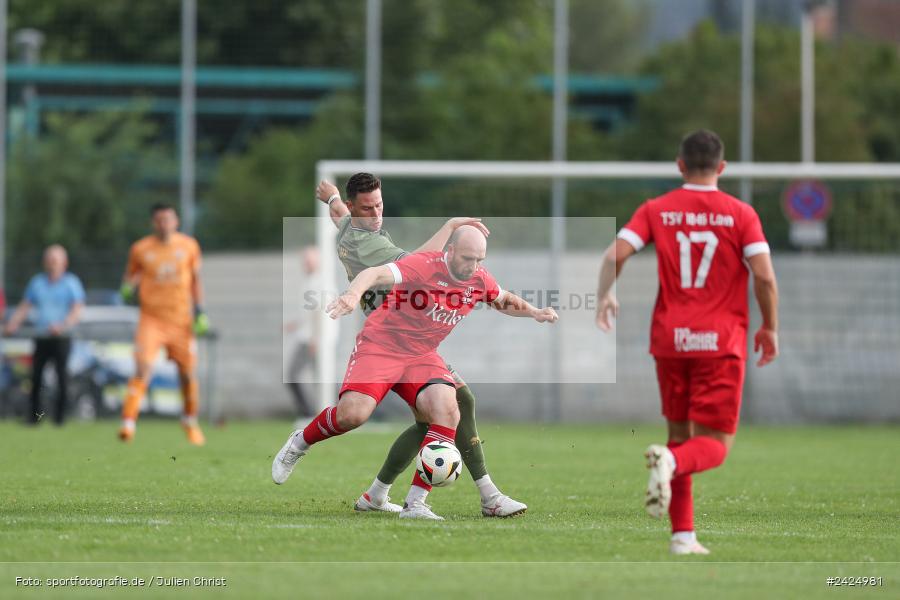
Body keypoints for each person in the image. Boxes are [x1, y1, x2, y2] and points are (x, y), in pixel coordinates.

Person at [272, 226, 558, 520]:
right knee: (352, 415)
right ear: (450, 251)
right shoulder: (424, 265)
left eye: (479, 260)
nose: (473, 266)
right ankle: (299, 442)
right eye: (468, 258)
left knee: (448, 409)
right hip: (381, 345)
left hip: (421, 355)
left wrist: (534, 311)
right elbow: (373, 274)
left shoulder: (477, 278)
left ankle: (415, 503)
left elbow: (501, 297)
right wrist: (352, 294)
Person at [595, 130, 779, 555]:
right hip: (719, 343)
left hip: (671, 341)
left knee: (679, 436)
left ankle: (683, 536)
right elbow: (765, 276)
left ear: (679, 165)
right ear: (722, 167)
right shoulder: (741, 214)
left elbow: (613, 256)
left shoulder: (657, 209)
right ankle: (674, 469)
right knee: (712, 446)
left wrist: (605, 294)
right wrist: (770, 326)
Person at [312, 173, 528, 518]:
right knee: (444, 406)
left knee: (444, 412)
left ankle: (379, 495)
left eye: (379, 204)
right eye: (368, 208)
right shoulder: (370, 245)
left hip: (407, 335)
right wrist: (451, 225)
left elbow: (340, 215)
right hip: (393, 335)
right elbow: (422, 263)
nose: (377, 213)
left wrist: (332, 197)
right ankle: (485, 496)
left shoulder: (353, 227)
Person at [118, 203, 210, 445]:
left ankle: (190, 421)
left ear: (176, 221)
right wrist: (127, 288)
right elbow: (131, 276)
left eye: (168, 219)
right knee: (143, 367)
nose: (164, 224)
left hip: (181, 320)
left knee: (188, 374)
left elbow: (195, 281)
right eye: (159, 220)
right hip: (151, 319)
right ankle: (128, 422)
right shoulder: (140, 248)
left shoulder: (189, 246)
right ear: (153, 223)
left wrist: (200, 311)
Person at [4, 245, 85, 425]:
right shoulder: (37, 282)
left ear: (64, 263)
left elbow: (76, 309)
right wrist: (13, 323)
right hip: (42, 337)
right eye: (49, 260)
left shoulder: (71, 283)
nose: (51, 264)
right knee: (36, 377)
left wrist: (63, 326)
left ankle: (60, 418)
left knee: (62, 377)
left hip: (61, 338)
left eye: (55, 260)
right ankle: (34, 417)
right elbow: (25, 306)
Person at [283, 246, 321, 421]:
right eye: (304, 260)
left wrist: (315, 338)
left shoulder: (318, 282)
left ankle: (309, 414)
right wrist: (294, 324)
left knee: (292, 375)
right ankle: (311, 414)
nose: (305, 263)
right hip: (307, 336)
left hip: (310, 339)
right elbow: (307, 313)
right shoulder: (309, 281)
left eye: (309, 260)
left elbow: (319, 313)